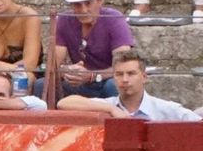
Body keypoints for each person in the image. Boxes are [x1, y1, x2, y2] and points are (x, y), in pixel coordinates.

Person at [47, 0, 133, 100]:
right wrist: (67, 71)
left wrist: (92, 76)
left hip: (105, 81)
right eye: (77, 5)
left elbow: (123, 65)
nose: (83, 10)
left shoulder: (114, 19)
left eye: (88, 3)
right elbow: (53, 64)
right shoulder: (64, 20)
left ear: (99, 0)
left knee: (114, 85)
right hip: (79, 84)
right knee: (42, 84)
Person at [59, 49, 201, 119]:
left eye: (131, 73)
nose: (125, 79)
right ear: (114, 78)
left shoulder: (165, 109)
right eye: (119, 74)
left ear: (144, 77)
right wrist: (111, 109)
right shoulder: (107, 105)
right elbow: (64, 103)